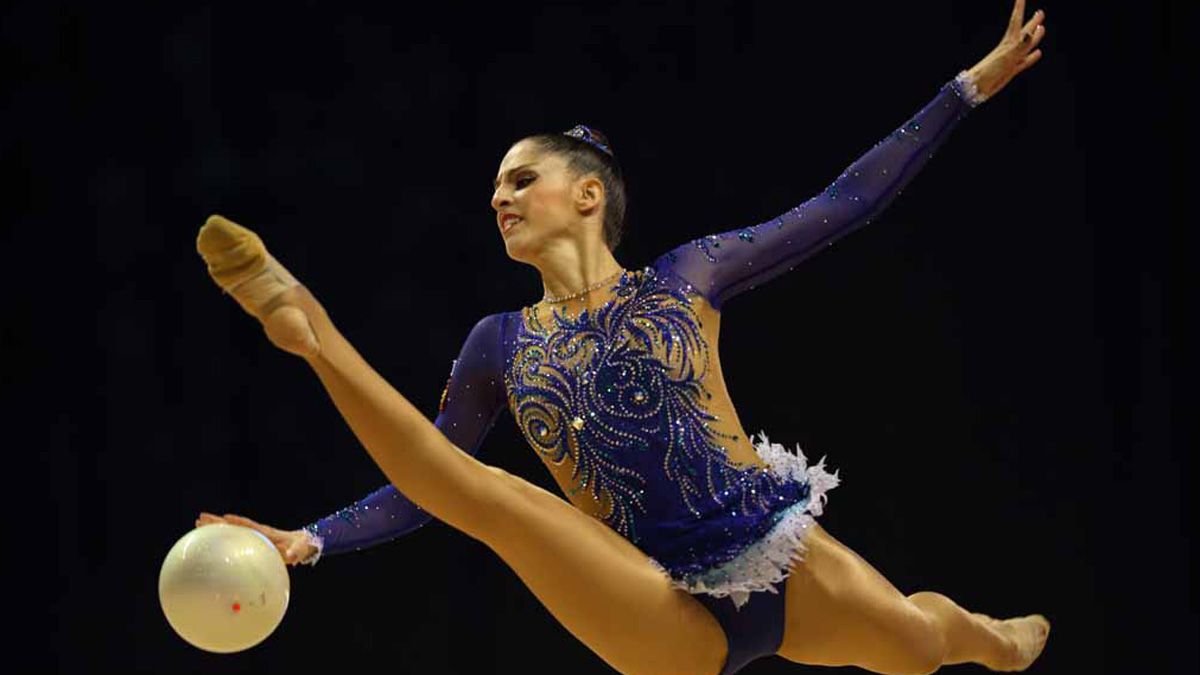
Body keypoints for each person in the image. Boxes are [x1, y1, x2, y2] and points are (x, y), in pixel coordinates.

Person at [195, 2, 1050, 672]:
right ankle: (310, 330)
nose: (500, 197)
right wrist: (312, 538)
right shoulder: (498, 343)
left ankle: (991, 638)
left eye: (521, 179)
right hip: (655, 602)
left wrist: (965, 90)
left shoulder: (688, 277)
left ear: (588, 194)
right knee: (496, 500)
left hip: (780, 556)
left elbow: (842, 203)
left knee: (921, 646)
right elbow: (427, 481)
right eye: (495, 188)